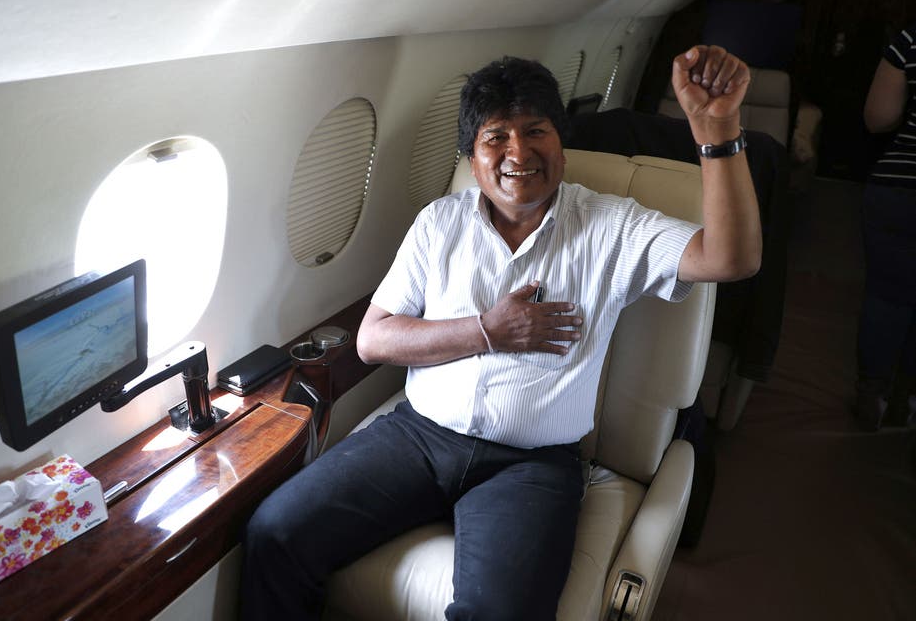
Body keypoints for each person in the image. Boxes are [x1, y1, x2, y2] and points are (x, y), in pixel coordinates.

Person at [240, 45, 761, 620]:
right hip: (418, 438)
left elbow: (731, 258)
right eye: (496, 137)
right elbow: (373, 340)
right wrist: (487, 331)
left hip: (530, 465)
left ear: (561, 143)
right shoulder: (439, 222)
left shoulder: (613, 226)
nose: (518, 152)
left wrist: (718, 132)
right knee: (274, 532)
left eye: (536, 131)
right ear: (471, 155)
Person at [854, 22, 916, 431]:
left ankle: (870, 396)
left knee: (886, 296)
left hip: (899, 187)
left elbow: (878, 118)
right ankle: (905, 400)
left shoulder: (911, 39)